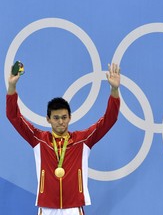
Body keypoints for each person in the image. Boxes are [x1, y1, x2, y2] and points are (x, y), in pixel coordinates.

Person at [6, 63, 121, 215]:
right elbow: (14, 116)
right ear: (48, 119)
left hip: (73, 207)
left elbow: (109, 119)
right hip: (47, 207)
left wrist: (114, 90)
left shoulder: (83, 140)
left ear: (70, 118)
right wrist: (12, 87)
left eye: (64, 117)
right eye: (56, 118)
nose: (61, 121)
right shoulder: (39, 139)